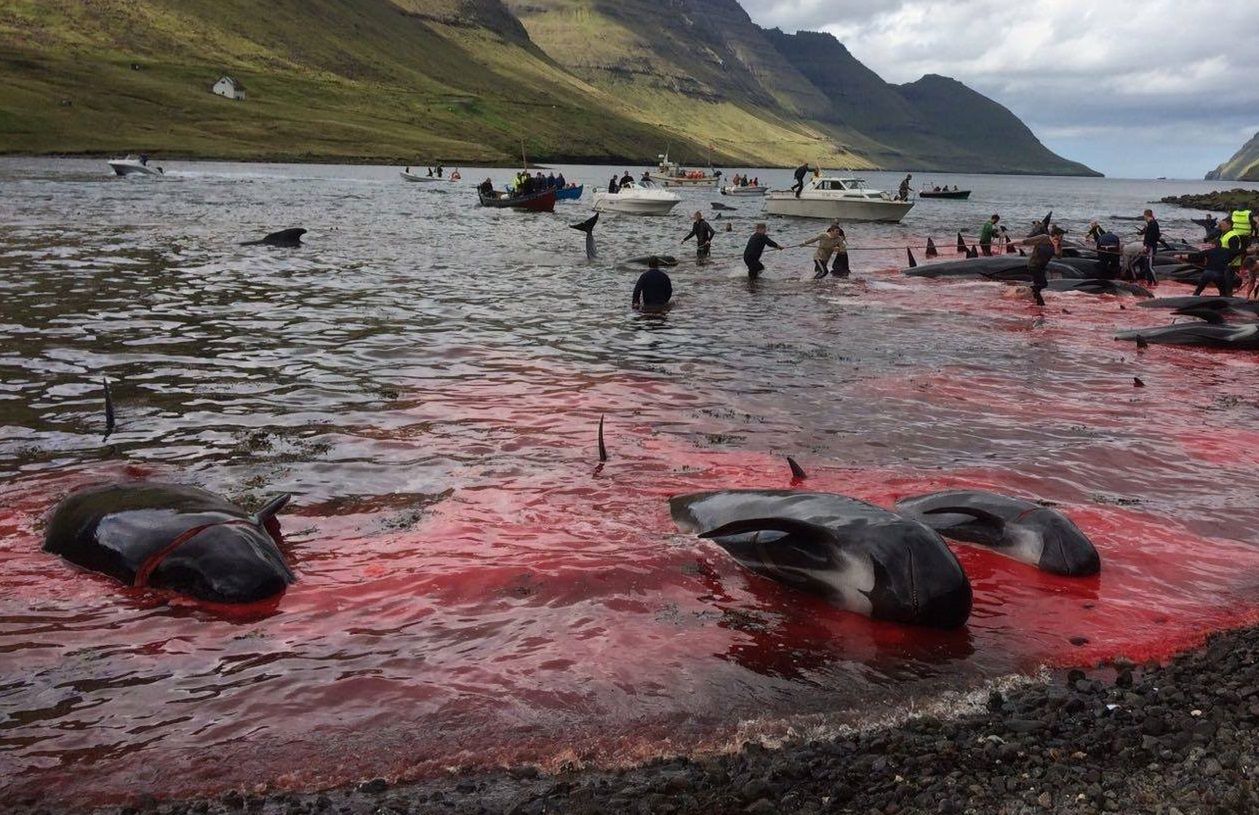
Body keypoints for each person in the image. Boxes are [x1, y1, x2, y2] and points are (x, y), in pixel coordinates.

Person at [1019, 226, 1065, 306]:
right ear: (1056, 235)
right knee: (1041, 284)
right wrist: (1011, 243)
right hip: (1034, 265)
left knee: (1040, 284)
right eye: (1061, 236)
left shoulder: (1059, 244)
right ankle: (1038, 302)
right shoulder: (1043, 238)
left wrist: (1055, 245)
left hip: (1042, 266)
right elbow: (1026, 241)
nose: (1062, 237)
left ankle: (1034, 299)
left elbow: (1059, 256)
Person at [1137, 209, 1160, 286]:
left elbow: (1152, 237)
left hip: (1151, 247)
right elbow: (1147, 231)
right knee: (1147, 266)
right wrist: (1141, 232)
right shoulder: (1150, 223)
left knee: (1150, 266)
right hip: (1149, 246)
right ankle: (1149, 282)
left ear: (1146, 215)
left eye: (1144, 215)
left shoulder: (1153, 224)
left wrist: (1147, 246)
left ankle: (1156, 282)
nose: (1143, 217)